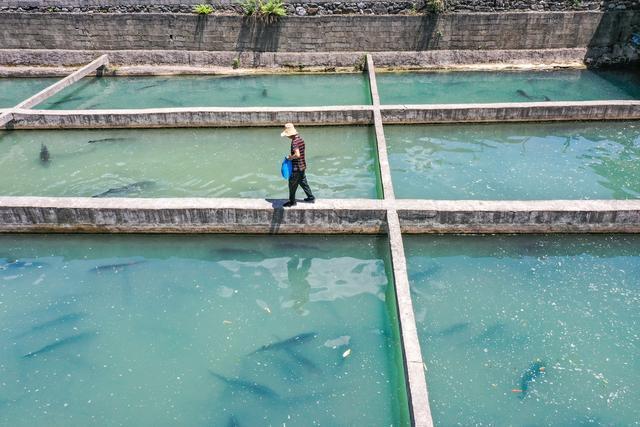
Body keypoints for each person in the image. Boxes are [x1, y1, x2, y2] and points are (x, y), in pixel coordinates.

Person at [281, 123, 315, 207]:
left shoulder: (294, 143)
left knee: (292, 185)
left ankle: (292, 202)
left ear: (289, 134)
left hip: (296, 168)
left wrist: (290, 157)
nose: (287, 136)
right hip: (302, 166)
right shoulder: (301, 140)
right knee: (303, 182)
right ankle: (310, 197)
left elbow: (297, 154)